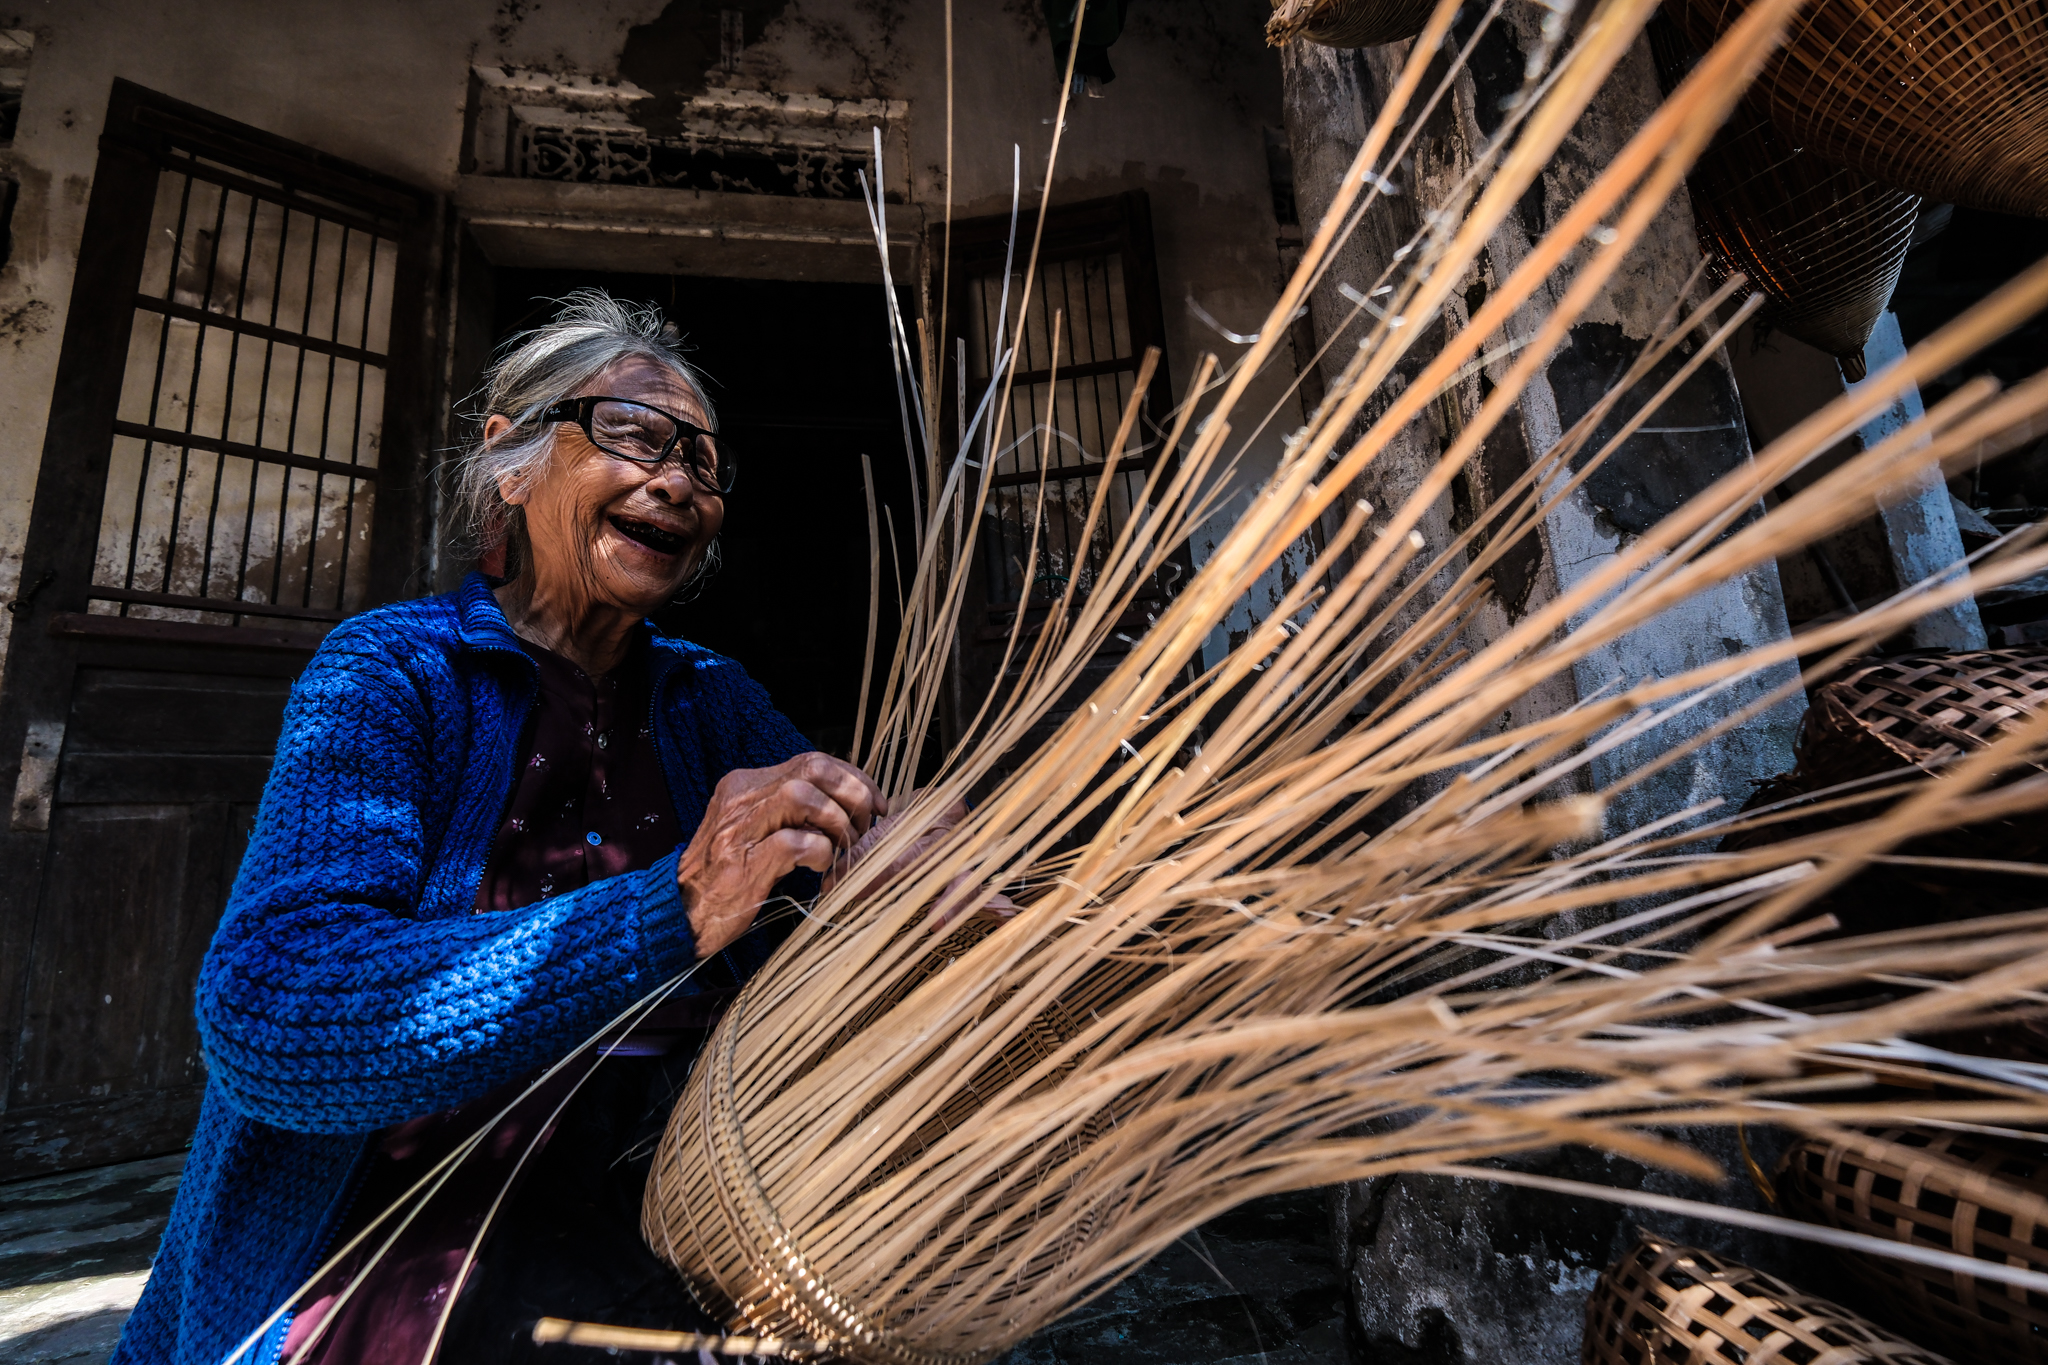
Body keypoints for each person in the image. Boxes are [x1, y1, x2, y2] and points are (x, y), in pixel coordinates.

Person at [113, 291, 905, 1365]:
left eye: (703, 463)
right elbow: (268, 1013)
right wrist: (673, 905)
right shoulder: (393, 670)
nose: (675, 478)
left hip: (672, 1200)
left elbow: (844, 880)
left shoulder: (712, 699)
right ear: (513, 459)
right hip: (406, 1217)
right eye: (629, 434)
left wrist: (914, 869)